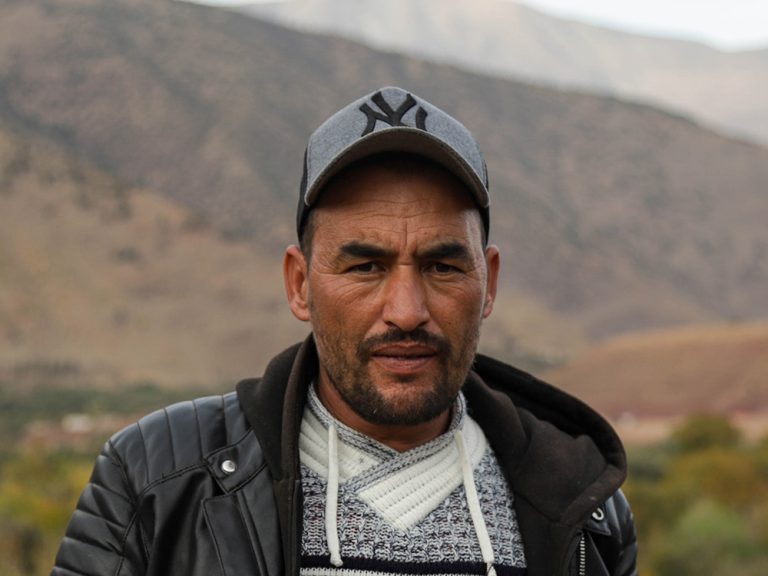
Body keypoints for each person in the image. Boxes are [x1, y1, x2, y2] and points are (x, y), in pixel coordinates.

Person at [52, 86, 637, 576]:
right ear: (300, 284)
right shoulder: (157, 477)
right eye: (365, 267)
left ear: (490, 283)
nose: (406, 311)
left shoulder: (584, 505)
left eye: (443, 266)